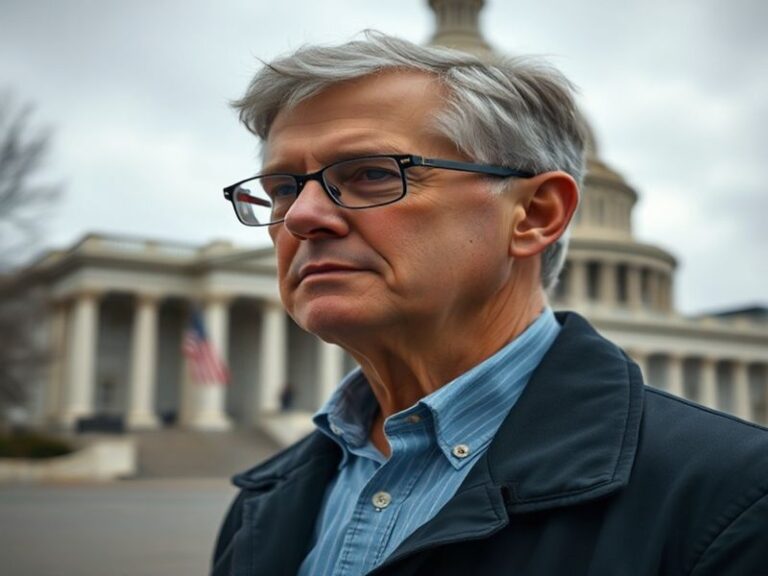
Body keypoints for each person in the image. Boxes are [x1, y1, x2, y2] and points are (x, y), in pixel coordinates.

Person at [211, 32, 768, 576]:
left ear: (535, 215)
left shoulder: (735, 498)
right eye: (283, 188)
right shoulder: (261, 503)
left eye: (373, 175)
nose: (302, 216)